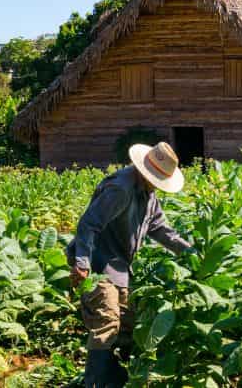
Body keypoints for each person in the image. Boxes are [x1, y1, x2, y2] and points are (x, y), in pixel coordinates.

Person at [66, 142, 193, 388]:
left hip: (119, 267)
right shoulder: (121, 189)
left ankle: (115, 381)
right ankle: (93, 384)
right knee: (108, 322)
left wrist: (190, 251)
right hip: (97, 263)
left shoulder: (148, 193)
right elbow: (88, 224)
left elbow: (159, 228)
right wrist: (81, 262)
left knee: (126, 324)